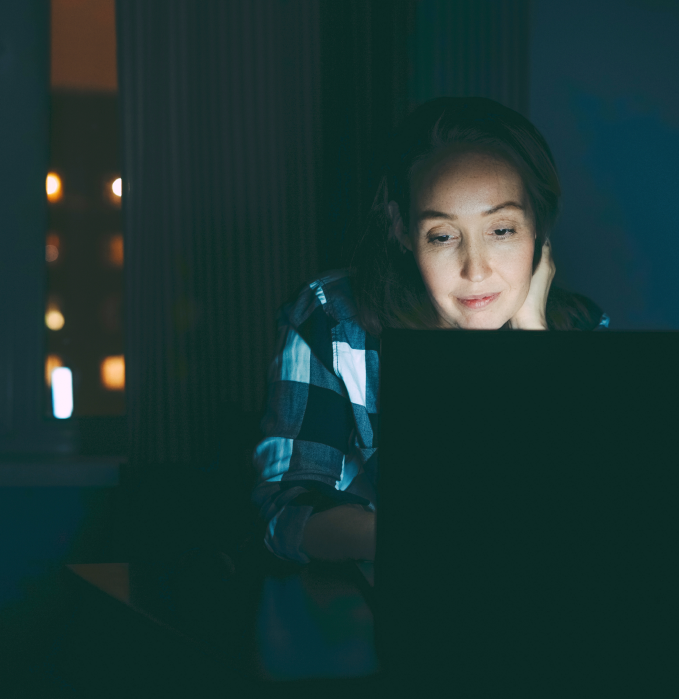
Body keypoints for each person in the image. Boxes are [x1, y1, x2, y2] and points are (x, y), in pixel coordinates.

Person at [250, 96, 610, 567]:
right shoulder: (335, 321)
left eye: (501, 230)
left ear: (539, 225)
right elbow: (287, 513)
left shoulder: (581, 329)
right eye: (443, 236)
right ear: (402, 230)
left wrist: (533, 340)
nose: (475, 270)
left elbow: (601, 514)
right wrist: (438, 538)